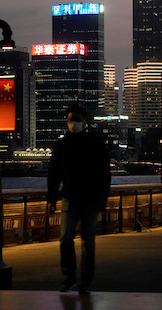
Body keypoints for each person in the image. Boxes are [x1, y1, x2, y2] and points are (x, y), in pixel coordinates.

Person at [47, 104, 111, 295]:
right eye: (70, 120)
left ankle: (84, 281)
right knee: (66, 238)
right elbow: (54, 172)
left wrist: (103, 197)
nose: (73, 123)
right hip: (71, 196)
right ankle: (70, 278)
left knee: (87, 241)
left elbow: (104, 172)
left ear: (85, 121)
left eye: (76, 119)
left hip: (90, 198)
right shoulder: (62, 145)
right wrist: (52, 197)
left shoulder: (94, 143)